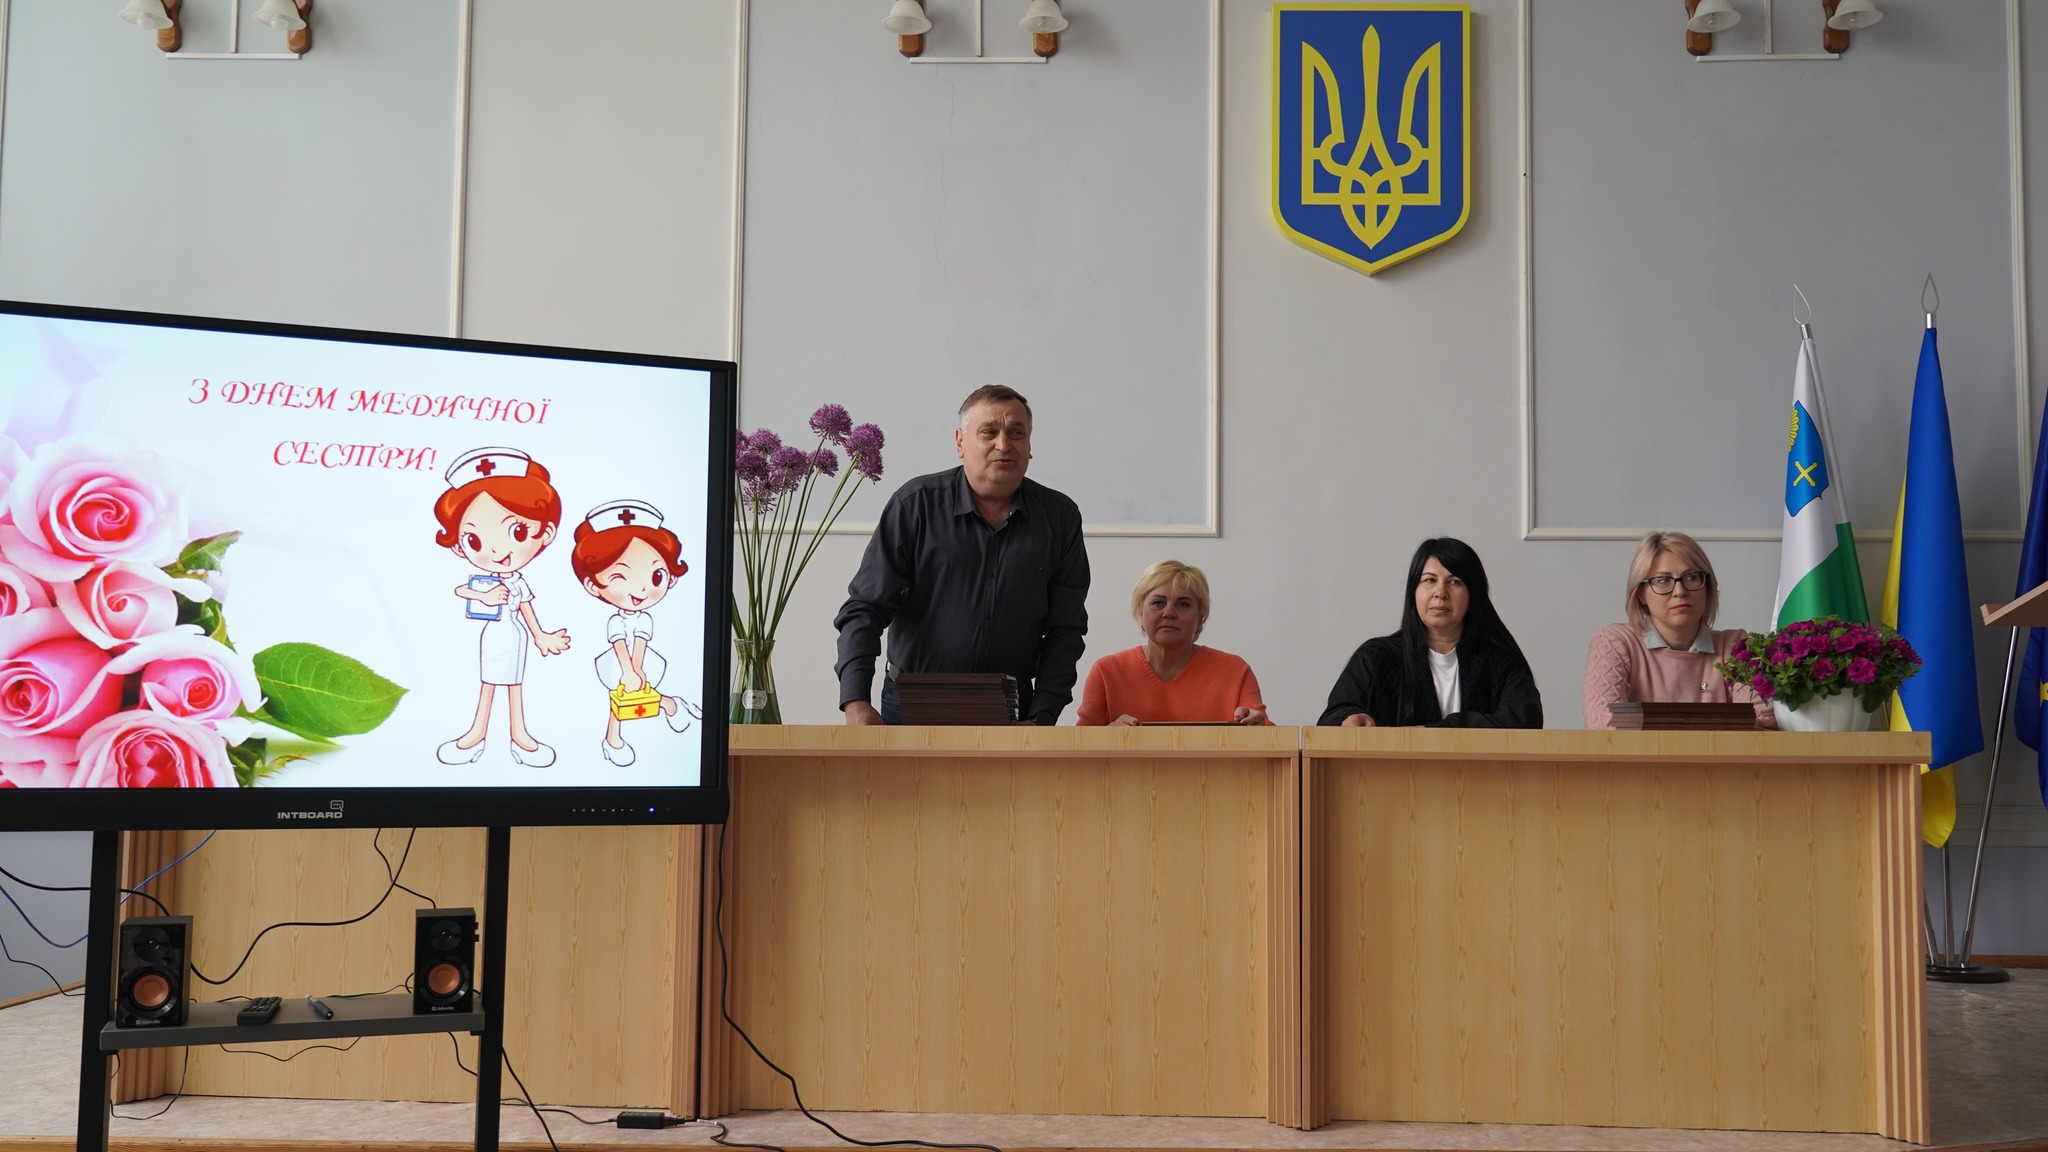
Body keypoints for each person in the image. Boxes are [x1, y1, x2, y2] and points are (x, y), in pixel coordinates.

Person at [834, 385, 1090, 725]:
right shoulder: (915, 506)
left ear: (1029, 446)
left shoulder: (1059, 518)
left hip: (1013, 709)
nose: (1004, 445)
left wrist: (1042, 716)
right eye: (989, 432)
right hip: (911, 703)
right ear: (960, 442)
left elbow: (1066, 630)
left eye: (1016, 433)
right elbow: (865, 608)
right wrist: (855, 702)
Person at [433, 447, 572, 767]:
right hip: (493, 635)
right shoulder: (484, 583)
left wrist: (541, 636)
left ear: (546, 533)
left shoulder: (517, 583)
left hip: (515, 636)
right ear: (459, 546)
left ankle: (520, 737)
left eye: (517, 531)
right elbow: (461, 590)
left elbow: (525, 607)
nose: (497, 552)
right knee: (487, 683)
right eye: (474, 540)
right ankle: (475, 735)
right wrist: (483, 597)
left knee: (514, 684)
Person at [1319, 537, 1541, 728]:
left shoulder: (1502, 662)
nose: (1440, 592)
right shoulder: (1375, 657)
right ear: (1414, 591)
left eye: (1454, 581)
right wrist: (1350, 717)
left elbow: (1525, 721)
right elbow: (1333, 718)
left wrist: (1436, 732)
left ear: (1473, 595)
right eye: (1429, 580)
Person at [1582, 530, 1774, 729]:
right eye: (1663, 580)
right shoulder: (1615, 642)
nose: (1680, 591)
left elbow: (1763, 727)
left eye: (1691, 577)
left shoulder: (1735, 646)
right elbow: (1604, 729)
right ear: (1641, 594)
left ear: (1707, 587)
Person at [571, 500, 700, 766]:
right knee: (619, 696)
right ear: (593, 585)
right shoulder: (615, 621)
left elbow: (640, 642)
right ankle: (613, 739)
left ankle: (672, 705)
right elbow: (619, 644)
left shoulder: (645, 619)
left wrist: (637, 669)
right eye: (620, 578)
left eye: (655, 576)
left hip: (642, 660)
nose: (641, 590)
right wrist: (627, 670)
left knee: (642, 694)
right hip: (617, 663)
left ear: (671, 577)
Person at [1077, 560, 1271, 726]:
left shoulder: (1235, 671)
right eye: (1158, 603)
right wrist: (1107, 736)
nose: (1169, 612)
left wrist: (1259, 728)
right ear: (1140, 611)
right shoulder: (1106, 672)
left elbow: (1270, 740)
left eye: (1183, 604)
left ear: (1201, 617)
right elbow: (1078, 748)